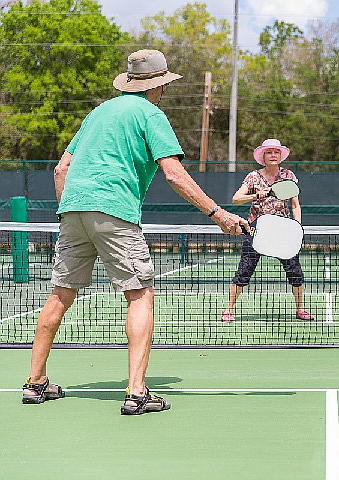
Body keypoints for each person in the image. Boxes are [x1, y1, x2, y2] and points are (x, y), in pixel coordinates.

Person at [21, 50, 246, 414]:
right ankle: (137, 392)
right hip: (114, 210)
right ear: (158, 85)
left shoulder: (98, 112)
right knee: (140, 295)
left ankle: (35, 383)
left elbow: (61, 169)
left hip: (72, 210)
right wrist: (217, 213)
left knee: (60, 295)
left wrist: (68, 211)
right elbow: (173, 174)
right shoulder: (151, 115)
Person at [222, 139, 314, 322]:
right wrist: (256, 195)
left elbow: (295, 206)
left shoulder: (288, 175)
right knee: (244, 270)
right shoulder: (253, 177)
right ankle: (228, 309)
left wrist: (298, 228)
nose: (273, 155)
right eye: (269, 152)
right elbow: (236, 199)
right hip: (256, 230)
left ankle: (300, 309)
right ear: (263, 157)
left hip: (283, 231)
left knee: (295, 271)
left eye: (276, 152)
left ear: (280, 156)